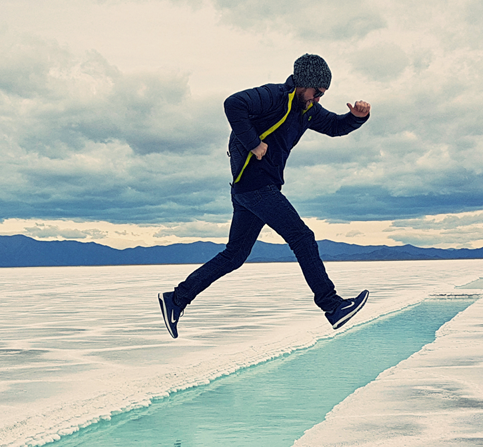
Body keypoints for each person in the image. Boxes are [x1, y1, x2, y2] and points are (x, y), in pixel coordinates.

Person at [158, 54, 371, 339]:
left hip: (253, 189)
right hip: (255, 185)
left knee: (234, 255)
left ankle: (176, 299)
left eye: (323, 94)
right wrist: (254, 143)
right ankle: (332, 306)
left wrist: (358, 118)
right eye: (318, 92)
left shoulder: (306, 110)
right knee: (302, 238)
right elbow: (233, 104)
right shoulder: (274, 96)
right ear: (304, 83)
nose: (319, 98)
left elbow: (334, 126)